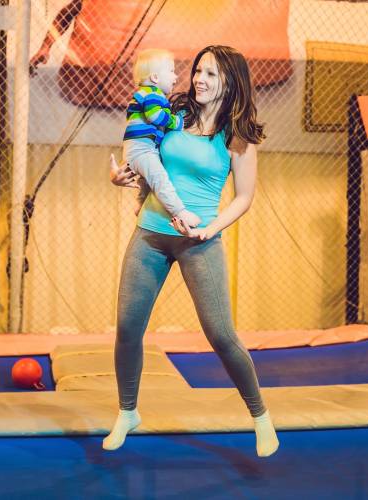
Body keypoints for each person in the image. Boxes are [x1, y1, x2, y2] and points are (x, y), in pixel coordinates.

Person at [106, 45, 279, 457]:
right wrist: (120, 178)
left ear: (230, 83)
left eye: (211, 75)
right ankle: (127, 411)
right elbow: (146, 158)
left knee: (221, 334)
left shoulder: (238, 138)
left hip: (200, 238)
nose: (199, 79)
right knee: (128, 328)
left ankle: (261, 417)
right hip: (150, 232)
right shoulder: (174, 115)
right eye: (198, 71)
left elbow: (244, 198)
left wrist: (209, 230)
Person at [123, 49, 201, 229]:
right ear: (156, 77)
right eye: (172, 71)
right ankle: (181, 213)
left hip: (139, 151)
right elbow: (156, 117)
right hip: (142, 150)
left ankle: (140, 203)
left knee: (147, 180)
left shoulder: (145, 93)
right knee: (159, 179)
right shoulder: (152, 94)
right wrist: (178, 122)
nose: (176, 76)